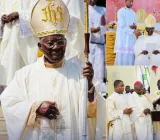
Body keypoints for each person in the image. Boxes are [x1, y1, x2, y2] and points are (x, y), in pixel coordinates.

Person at [0, 0, 99, 139]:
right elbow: (9, 102)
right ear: (40, 46)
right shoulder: (25, 74)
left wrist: (89, 85)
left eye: (60, 42)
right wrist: (36, 108)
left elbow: (92, 112)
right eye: (50, 43)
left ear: (66, 43)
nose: (56, 47)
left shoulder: (79, 71)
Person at [0, 0, 38, 85]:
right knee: (8, 73)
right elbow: (1, 9)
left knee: (26, 75)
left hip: (27, 40)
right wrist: (2, 17)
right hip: (9, 35)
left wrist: (19, 15)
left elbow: (39, 13)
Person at [114, 0, 141, 65]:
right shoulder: (120, 12)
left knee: (130, 58)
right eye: (130, 1)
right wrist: (133, 31)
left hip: (131, 40)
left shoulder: (133, 13)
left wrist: (135, 26)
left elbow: (135, 24)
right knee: (121, 59)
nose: (131, 3)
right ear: (125, 1)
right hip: (123, 39)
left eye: (132, 2)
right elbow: (122, 26)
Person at [89, 0, 106, 91]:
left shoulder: (103, 9)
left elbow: (105, 27)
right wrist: (92, 30)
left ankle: (101, 91)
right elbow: (83, 26)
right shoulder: (84, 10)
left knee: (99, 70)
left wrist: (102, 28)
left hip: (100, 44)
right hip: (89, 44)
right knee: (89, 69)